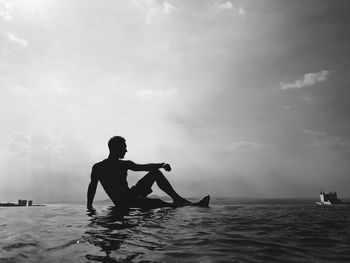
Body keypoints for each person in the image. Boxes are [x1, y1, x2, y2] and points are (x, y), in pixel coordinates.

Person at [87, 136, 209, 210]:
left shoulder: (124, 164)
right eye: (123, 147)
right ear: (115, 148)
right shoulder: (99, 167)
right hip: (124, 202)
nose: (126, 150)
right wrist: (89, 207)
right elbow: (92, 187)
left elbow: (144, 167)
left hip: (132, 194)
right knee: (158, 202)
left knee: (155, 173)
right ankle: (192, 206)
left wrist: (161, 165)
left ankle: (178, 199)